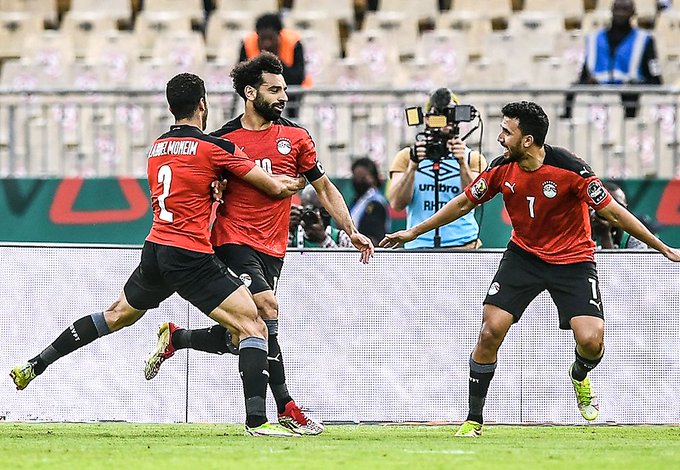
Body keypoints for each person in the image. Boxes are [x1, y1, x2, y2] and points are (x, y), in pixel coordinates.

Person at [9, 73, 307, 437]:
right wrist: (298, 181)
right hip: (190, 255)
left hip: (155, 250)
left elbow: (187, 189)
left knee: (115, 315)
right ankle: (258, 422)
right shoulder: (215, 148)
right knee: (254, 325)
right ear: (202, 105)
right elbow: (275, 187)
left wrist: (214, 190)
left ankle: (36, 364)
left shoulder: (156, 148)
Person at [381, 101, 680, 437]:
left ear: (527, 140)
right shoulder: (501, 168)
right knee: (489, 331)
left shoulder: (572, 169)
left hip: (573, 260)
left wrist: (663, 247)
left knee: (592, 341)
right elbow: (465, 201)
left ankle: (579, 375)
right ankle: (473, 419)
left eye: (506, 132)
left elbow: (614, 213)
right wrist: (414, 231)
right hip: (523, 256)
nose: (499, 138)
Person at [144, 52, 375, 435]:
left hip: (273, 248)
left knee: (246, 334)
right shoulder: (220, 140)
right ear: (250, 93)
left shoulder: (297, 138)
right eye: (275, 89)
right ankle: (283, 407)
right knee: (267, 309)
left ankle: (178, 338)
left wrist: (350, 230)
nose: (283, 96)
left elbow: (324, 187)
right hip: (231, 240)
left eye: (284, 89)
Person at [387, 88, 487, 249]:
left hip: (463, 245)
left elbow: (477, 200)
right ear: (427, 120)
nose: (445, 123)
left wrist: (462, 164)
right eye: (438, 118)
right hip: (419, 246)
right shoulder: (407, 157)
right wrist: (412, 167)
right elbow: (396, 203)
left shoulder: (472, 158)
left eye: (450, 117)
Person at [563, 0, 663, 119]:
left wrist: (636, 84)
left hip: (629, 99)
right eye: (618, 9)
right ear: (612, 11)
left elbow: (655, 79)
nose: (620, 13)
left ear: (633, 13)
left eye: (625, 9)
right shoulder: (594, 39)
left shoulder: (645, 39)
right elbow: (584, 75)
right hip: (598, 97)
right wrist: (587, 81)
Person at [239, 13, 310, 118]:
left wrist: (274, 61)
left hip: (291, 93)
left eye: (270, 39)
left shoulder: (293, 43)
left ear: (278, 35)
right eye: (263, 39)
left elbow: (298, 77)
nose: (267, 44)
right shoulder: (248, 44)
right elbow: (240, 78)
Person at [289, 184, 354, 248]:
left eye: (323, 212)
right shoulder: (294, 235)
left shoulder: (340, 237)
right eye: (312, 211)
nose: (318, 216)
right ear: (302, 209)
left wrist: (323, 239)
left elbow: (347, 258)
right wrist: (287, 232)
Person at [591, 181, 648, 249]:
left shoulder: (634, 237)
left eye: (618, 207)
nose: (612, 211)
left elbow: (639, 259)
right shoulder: (583, 233)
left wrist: (605, 236)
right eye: (605, 205)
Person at [350, 157, 390, 246]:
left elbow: (375, 237)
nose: (358, 181)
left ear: (374, 178)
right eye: (355, 177)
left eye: (363, 178)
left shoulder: (376, 203)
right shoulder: (357, 201)